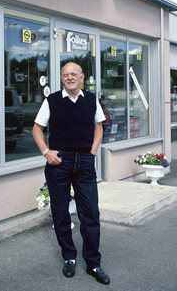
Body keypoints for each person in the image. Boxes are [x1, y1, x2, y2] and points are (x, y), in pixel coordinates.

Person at [32, 62, 110, 285]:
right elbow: (37, 128)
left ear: (82, 77)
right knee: (60, 213)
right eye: (65, 75)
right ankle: (69, 257)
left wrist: (92, 153)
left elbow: (99, 126)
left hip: (84, 160)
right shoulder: (52, 100)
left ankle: (93, 263)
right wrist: (46, 152)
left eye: (74, 74)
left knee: (90, 213)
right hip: (60, 162)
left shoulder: (91, 99)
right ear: (61, 78)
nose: (69, 77)